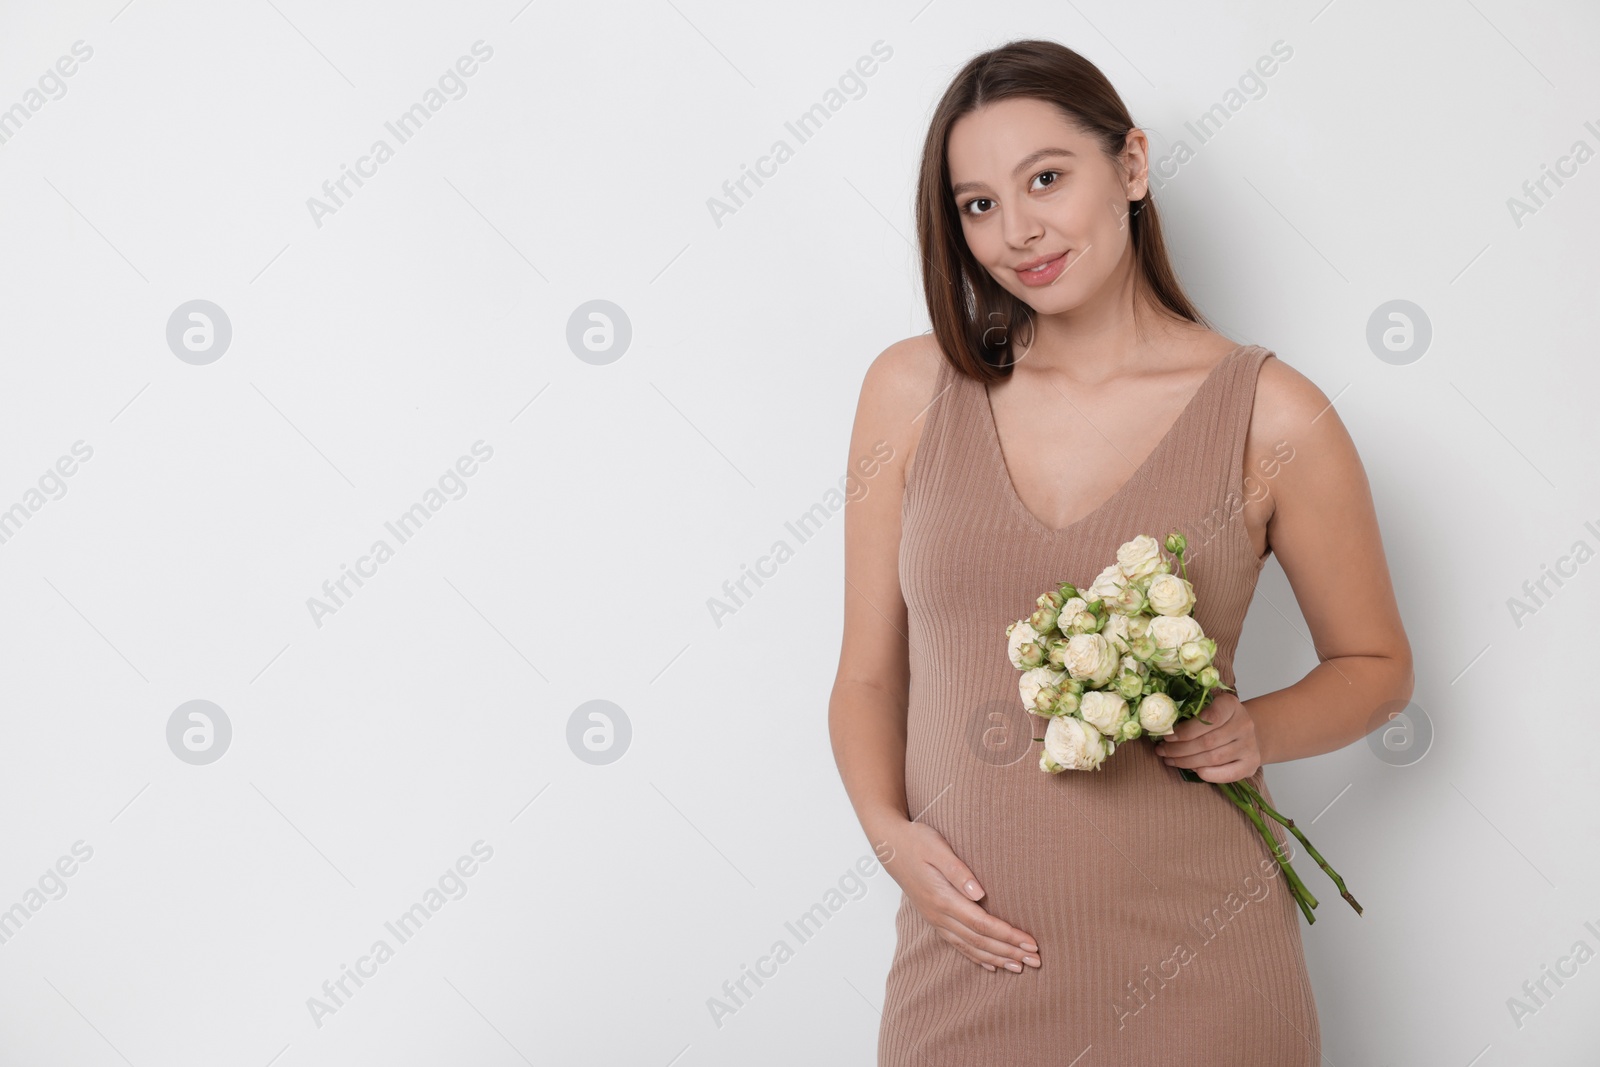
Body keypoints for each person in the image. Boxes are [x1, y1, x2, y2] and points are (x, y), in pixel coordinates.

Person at [827, 38, 1413, 1065]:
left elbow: (1376, 668)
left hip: (1204, 969)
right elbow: (870, 671)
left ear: (1130, 168)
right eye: (976, 204)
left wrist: (1255, 727)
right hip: (966, 959)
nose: (1016, 231)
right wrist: (890, 837)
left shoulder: (1272, 414)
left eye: (1045, 178)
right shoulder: (909, 392)